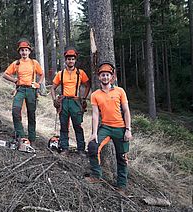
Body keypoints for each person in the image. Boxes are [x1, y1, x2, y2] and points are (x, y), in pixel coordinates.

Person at [85, 62, 133, 194]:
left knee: (122, 157)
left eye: (107, 75)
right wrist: (94, 133)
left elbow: (126, 111)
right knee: (93, 147)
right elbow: (95, 115)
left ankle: (121, 186)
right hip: (105, 127)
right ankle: (96, 175)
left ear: (112, 77)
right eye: (102, 75)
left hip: (120, 128)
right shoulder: (95, 95)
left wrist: (128, 129)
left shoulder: (120, 91)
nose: (105, 77)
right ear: (99, 77)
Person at [51, 47, 90, 156]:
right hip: (64, 102)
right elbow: (52, 88)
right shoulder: (61, 74)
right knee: (64, 126)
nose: (70, 61)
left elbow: (87, 85)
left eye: (72, 59)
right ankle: (64, 148)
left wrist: (84, 98)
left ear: (75, 60)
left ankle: (81, 149)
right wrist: (55, 100)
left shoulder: (80, 73)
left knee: (77, 126)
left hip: (76, 102)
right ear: (65, 60)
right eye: (68, 59)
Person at [3, 38, 44, 143]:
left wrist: (38, 84)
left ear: (29, 51)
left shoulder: (34, 63)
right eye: (22, 50)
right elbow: (5, 74)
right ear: (19, 52)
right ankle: (21, 136)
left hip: (31, 90)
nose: (24, 52)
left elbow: (41, 74)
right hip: (20, 90)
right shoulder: (16, 63)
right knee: (15, 111)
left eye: (26, 50)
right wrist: (14, 80)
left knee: (31, 114)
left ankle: (32, 138)